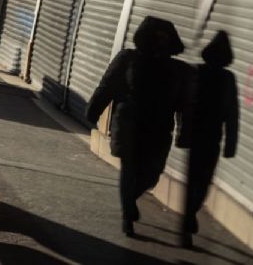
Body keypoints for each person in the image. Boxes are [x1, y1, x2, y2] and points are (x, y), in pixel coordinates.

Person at [86, 16, 191, 237]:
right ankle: (127, 215)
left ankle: (130, 198)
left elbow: (185, 104)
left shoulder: (179, 70)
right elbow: (108, 85)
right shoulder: (128, 59)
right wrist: (94, 109)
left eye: (165, 38)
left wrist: (184, 130)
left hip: (159, 129)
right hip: (129, 124)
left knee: (152, 175)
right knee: (129, 169)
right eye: (156, 36)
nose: (160, 42)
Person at [181, 31, 239, 248]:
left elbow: (231, 112)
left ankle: (189, 215)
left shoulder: (220, 77)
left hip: (203, 137)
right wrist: (230, 144)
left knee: (199, 183)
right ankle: (188, 221)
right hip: (206, 138)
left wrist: (183, 134)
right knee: (201, 182)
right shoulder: (205, 74)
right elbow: (232, 114)